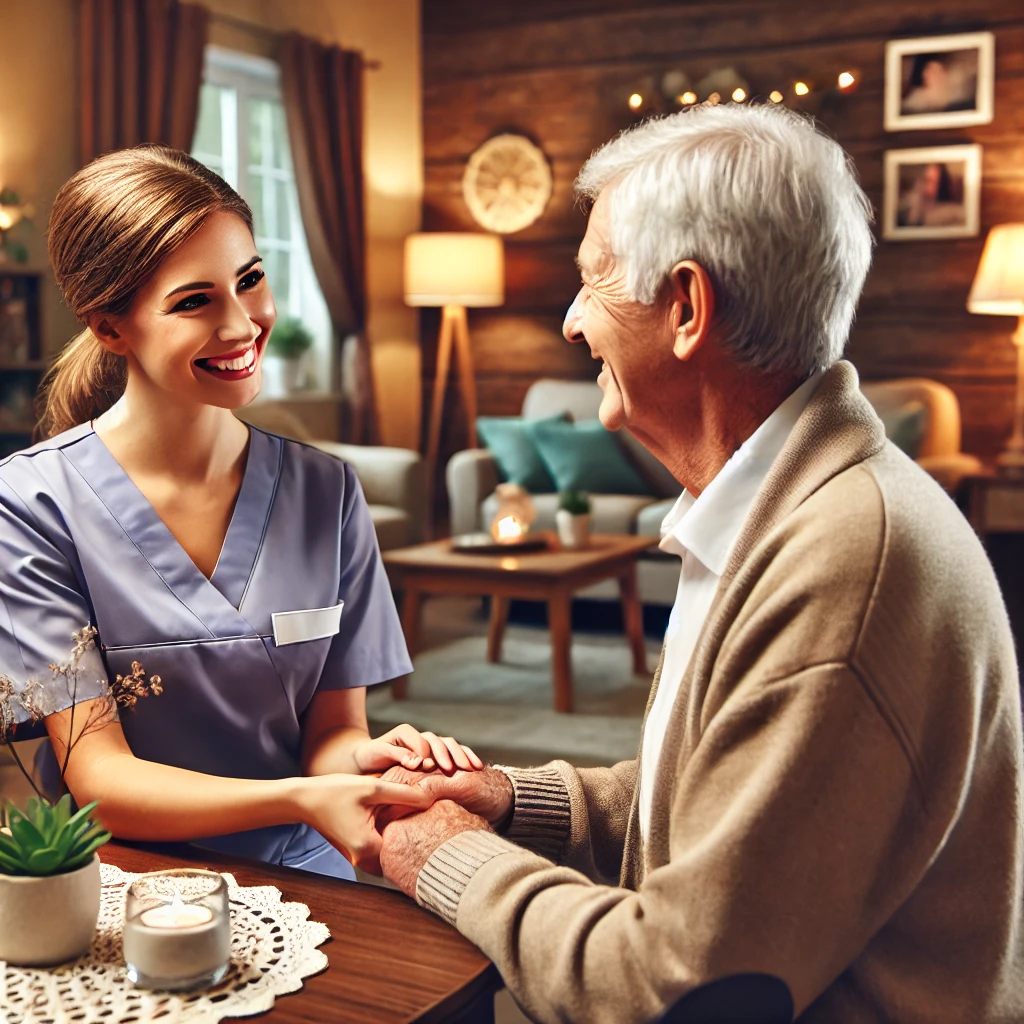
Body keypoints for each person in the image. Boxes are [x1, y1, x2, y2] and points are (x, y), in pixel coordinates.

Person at [374, 104, 1024, 1022]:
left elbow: (672, 989)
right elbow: (717, 787)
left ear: (685, 307)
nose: (569, 322)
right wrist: (507, 796)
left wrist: (447, 855)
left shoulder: (844, 567)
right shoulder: (781, 508)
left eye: (593, 282)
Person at [0, 145, 481, 880]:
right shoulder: (33, 506)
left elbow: (330, 735)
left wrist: (365, 762)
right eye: (194, 301)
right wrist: (302, 797)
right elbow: (99, 780)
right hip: (128, 883)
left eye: (249, 280)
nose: (242, 325)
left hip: (310, 870)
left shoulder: (329, 494)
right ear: (108, 328)